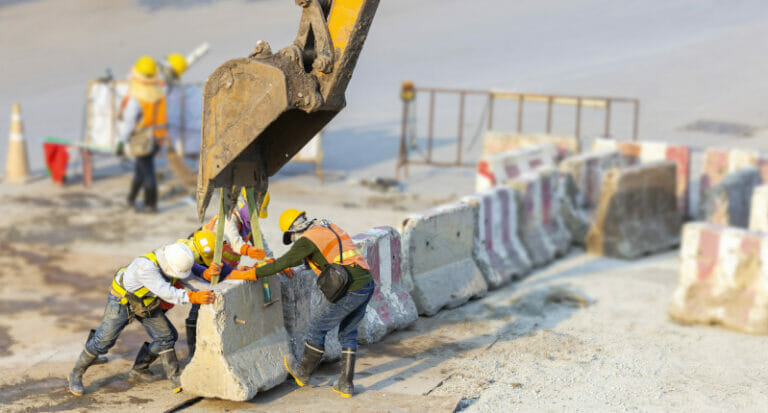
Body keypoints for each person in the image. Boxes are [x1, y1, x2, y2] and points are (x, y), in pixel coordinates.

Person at [227, 209, 374, 398]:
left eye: (292, 238)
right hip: (366, 282)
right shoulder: (325, 226)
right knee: (348, 333)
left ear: (293, 231)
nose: (295, 242)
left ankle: (303, 373)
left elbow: (282, 262)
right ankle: (345, 384)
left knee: (316, 327)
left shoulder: (306, 240)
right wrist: (289, 262)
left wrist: (250, 274)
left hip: (351, 287)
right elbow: (323, 255)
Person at [67, 243, 215, 396]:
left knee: (166, 337)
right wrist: (193, 296)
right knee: (103, 342)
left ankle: (145, 370)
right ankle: (75, 374)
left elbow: (189, 277)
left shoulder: (174, 256)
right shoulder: (146, 268)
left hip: (146, 302)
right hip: (122, 301)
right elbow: (166, 292)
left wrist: (207, 279)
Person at [117, 55, 169, 213]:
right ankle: (131, 199)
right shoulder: (159, 92)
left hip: (142, 139)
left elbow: (128, 122)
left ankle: (150, 204)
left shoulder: (137, 98)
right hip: (158, 138)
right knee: (141, 169)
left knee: (147, 171)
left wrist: (121, 142)